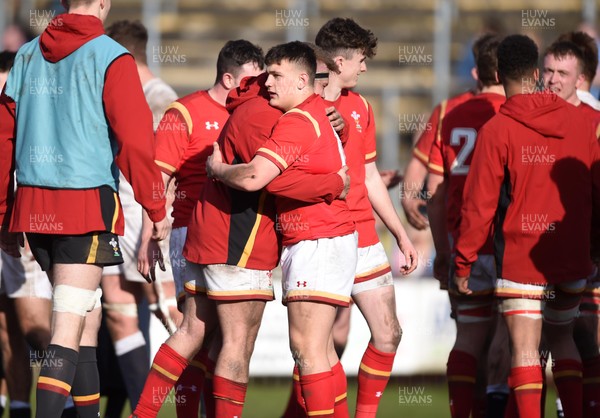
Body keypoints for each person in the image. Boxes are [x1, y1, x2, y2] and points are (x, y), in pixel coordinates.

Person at [0, 1, 169, 418]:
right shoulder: (111, 56)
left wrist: (4, 214)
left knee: (87, 324)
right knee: (68, 328)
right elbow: (135, 141)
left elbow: (4, 139)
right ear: (104, 3)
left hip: (34, 211)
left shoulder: (25, 54)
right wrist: (156, 208)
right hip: (83, 209)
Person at [207, 40, 357, 418]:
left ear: (303, 80)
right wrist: (333, 184)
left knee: (307, 350)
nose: (268, 82)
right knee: (320, 351)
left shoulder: (297, 121)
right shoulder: (320, 113)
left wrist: (219, 170)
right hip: (326, 238)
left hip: (318, 239)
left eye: (276, 75)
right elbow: (292, 180)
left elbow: (259, 178)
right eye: (266, 73)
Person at [454, 34, 600, 418]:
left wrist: (464, 262)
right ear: (537, 73)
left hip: (522, 256)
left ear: (499, 74)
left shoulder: (497, 128)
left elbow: (478, 205)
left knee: (523, 349)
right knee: (564, 337)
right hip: (570, 256)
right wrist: (594, 247)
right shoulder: (580, 121)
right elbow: (596, 189)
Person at [133, 39, 265, 418]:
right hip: (190, 230)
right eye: (249, 81)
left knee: (215, 337)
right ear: (228, 77)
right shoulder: (185, 112)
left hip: (239, 235)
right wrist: (149, 234)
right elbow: (158, 177)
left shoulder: (256, 113)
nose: (257, 88)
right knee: (199, 330)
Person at [314, 18, 417, 418]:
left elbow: (370, 175)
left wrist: (401, 235)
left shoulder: (361, 107)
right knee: (316, 349)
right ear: (339, 62)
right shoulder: (302, 106)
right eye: (361, 60)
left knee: (388, 334)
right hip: (319, 237)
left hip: (363, 235)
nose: (365, 68)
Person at [101, 19, 180, 412]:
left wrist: (156, 224)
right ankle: (141, 407)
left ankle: (201, 402)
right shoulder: (130, 95)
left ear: (125, 59)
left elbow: (167, 170)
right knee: (118, 310)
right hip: (123, 213)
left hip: (149, 219)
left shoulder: (159, 98)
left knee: (172, 314)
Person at [426, 35, 506, 418]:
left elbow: (433, 193)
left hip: (464, 240)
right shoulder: (517, 112)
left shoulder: (450, 113)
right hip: (509, 242)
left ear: (477, 68)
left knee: (469, 337)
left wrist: (442, 250)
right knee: (513, 342)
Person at [544, 33, 600, 416]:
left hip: (585, 251)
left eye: (562, 73)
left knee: (584, 334)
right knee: (528, 343)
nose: (552, 80)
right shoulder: (527, 117)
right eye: (547, 71)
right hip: (532, 248)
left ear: (580, 78)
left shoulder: (595, 124)